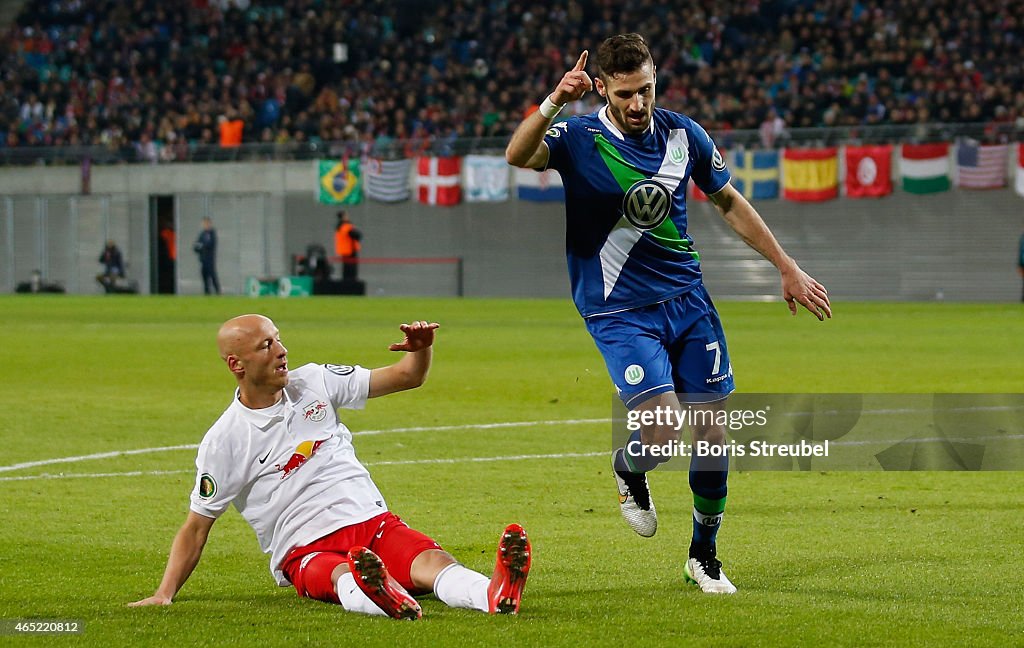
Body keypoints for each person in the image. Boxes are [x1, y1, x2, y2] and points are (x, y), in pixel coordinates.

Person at [505, 34, 831, 595]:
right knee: (660, 428)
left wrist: (786, 265)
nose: (638, 105)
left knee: (710, 433)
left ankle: (703, 557)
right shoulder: (578, 135)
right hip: (618, 309)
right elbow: (518, 155)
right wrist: (554, 101)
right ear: (602, 88)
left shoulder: (684, 134)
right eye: (626, 93)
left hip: (689, 303)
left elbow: (728, 200)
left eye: (647, 90)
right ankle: (629, 469)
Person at [128, 314, 531, 619]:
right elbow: (196, 527)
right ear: (237, 364)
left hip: (372, 522)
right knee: (341, 576)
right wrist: (165, 592)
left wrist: (422, 348)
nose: (282, 350)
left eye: (279, 340)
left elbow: (407, 376)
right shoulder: (226, 439)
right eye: (266, 346)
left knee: (434, 562)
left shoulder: (316, 382)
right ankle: (382, 595)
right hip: (306, 546)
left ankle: (493, 596)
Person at [193, 217, 221, 295]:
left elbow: (209, 244)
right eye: (203, 223)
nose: (205, 225)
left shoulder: (212, 233)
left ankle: (218, 292)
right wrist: (200, 247)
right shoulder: (202, 234)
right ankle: (207, 293)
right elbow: (196, 246)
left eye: (206, 223)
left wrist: (201, 246)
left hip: (210, 259)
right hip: (203, 259)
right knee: (204, 276)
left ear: (209, 223)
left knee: (212, 275)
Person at [334, 210, 362, 281]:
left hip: (344, 251)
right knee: (351, 270)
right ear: (343, 216)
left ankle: (346, 283)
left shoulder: (339, 227)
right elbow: (357, 235)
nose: (347, 217)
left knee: (345, 269)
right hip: (350, 250)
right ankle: (351, 284)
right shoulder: (346, 226)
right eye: (346, 215)